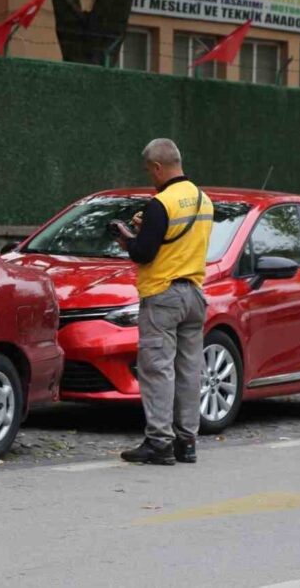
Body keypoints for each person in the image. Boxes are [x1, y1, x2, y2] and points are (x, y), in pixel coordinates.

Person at [113, 138, 213, 465]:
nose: (149, 177)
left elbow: (145, 252)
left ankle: (159, 443)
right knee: (189, 369)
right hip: (195, 294)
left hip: (163, 294)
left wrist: (128, 239)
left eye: (149, 171)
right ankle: (188, 441)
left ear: (158, 167)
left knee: (157, 368)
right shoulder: (204, 200)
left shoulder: (161, 204)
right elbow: (177, 240)